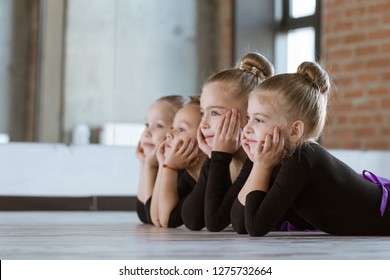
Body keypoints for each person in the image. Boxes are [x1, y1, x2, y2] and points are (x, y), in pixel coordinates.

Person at [232, 61, 390, 236]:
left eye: (259, 120)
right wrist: (258, 165)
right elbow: (240, 223)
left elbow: (256, 226)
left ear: (294, 131)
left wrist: (261, 166)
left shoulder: (302, 158)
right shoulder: (277, 158)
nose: (246, 128)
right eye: (249, 118)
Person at [181, 52, 274, 231]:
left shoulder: (259, 158)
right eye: (202, 113)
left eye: (215, 113)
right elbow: (193, 219)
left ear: (249, 116)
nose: (204, 123)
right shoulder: (226, 160)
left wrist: (218, 156)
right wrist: (212, 157)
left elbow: (215, 222)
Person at [150, 97, 207, 228]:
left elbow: (168, 220)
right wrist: (163, 164)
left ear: (204, 137)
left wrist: (170, 168)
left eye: (181, 129)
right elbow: (157, 218)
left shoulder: (212, 174)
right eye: (173, 127)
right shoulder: (189, 175)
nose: (169, 134)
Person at [136, 95, 189, 224]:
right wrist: (144, 163)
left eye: (158, 125)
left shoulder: (183, 171)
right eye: (146, 124)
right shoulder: (158, 163)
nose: (146, 132)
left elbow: (153, 217)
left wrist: (149, 165)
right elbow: (142, 214)